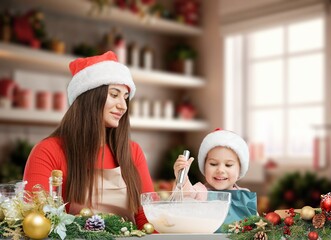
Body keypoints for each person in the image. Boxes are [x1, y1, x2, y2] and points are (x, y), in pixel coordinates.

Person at [23, 51, 154, 229]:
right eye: (114, 95)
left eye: (125, 97)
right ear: (90, 97)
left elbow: (147, 219)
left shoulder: (132, 152)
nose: (123, 106)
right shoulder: (48, 151)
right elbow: (36, 222)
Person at [173, 128, 258, 232]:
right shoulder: (199, 192)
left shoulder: (245, 195)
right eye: (213, 164)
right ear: (204, 167)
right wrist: (182, 176)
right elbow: (184, 197)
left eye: (228, 165)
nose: (220, 170)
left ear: (240, 169)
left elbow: (257, 225)